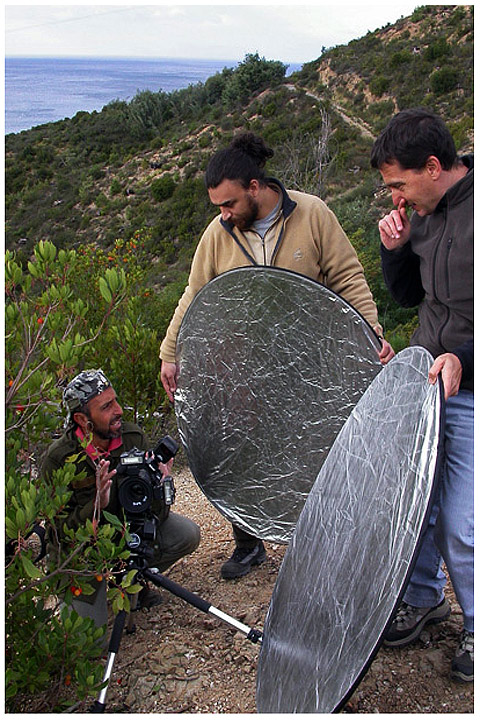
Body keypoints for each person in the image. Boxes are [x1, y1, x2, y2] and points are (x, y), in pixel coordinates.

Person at [160, 132, 394, 580]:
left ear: (254, 187)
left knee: (313, 448)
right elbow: (194, 294)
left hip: (308, 363)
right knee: (239, 448)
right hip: (243, 367)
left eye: (228, 203)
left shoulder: (312, 214)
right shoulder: (218, 234)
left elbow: (348, 278)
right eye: (218, 208)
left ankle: (317, 542)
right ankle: (248, 543)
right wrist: (171, 353)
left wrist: (369, 336)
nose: (223, 214)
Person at [370, 108, 473, 682]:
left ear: (433, 166)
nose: (396, 196)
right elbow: (412, 296)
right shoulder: (426, 215)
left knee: (462, 522)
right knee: (417, 502)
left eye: (399, 183)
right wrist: (397, 246)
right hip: (427, 379)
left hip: (470, 388)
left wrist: (466, 357)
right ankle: (425, 598)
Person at [43, 369, 200, 631]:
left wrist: (157, 486)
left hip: (125, 540)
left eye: (115, 401)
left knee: (186, 534)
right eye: (106, 407)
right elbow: (60, 534)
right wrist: (96, 505)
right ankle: (106, 591)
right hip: (83, 556)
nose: (118, 410)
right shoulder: (59, 460)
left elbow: (154, 515)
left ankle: (133, 579)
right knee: (89, 644)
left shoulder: (132, 438)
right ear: (82, 419)